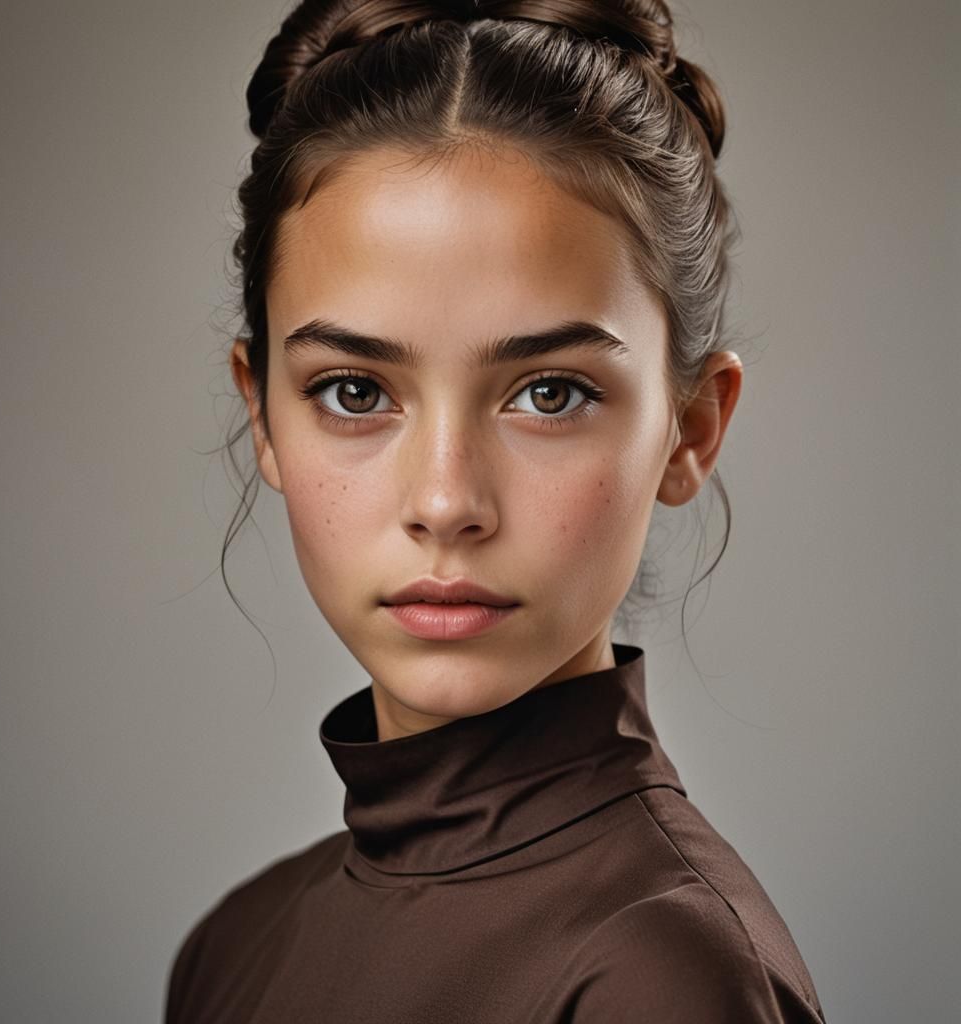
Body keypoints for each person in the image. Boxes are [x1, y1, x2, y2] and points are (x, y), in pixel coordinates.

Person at [165, 1, 827, 1020]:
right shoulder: (232, 946)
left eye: (548, 393)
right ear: (260, 411)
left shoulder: (660, 977)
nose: (444, 502)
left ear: (690, 428)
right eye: (354, 391)